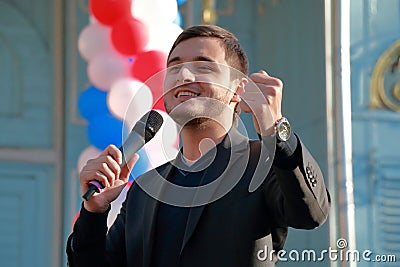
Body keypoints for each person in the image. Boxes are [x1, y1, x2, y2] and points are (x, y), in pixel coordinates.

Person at [66, 24, 330, 267]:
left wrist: (277, 131)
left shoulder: (263, 163)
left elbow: (312, 214)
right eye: (174, 67)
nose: (184, 75)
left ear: (239, 90)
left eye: (203, 66)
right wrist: (94, 212)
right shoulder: (145, 191)